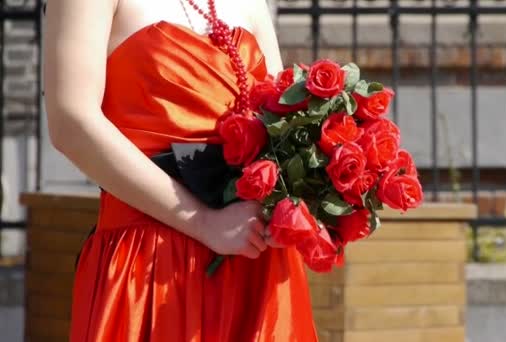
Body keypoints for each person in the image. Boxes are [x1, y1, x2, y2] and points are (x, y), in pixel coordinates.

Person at [42, 0, 318, 340]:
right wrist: (203, 222)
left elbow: (281, 125)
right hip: (150, 264)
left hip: (254, 260)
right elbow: (71, 122)